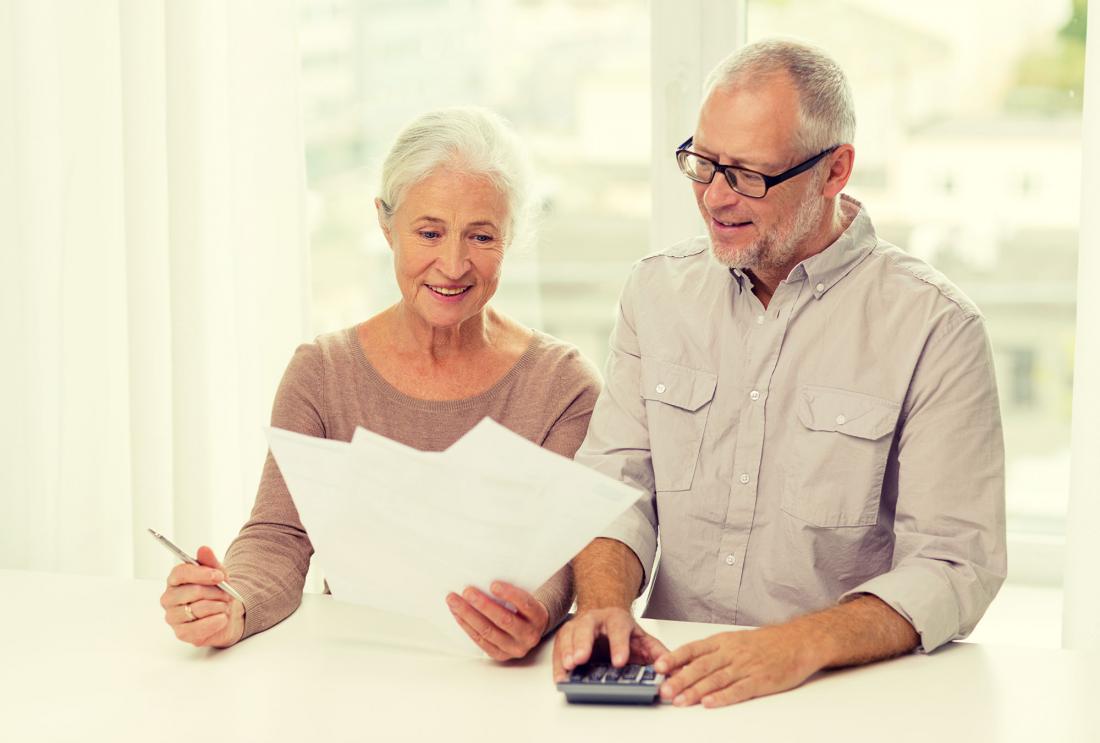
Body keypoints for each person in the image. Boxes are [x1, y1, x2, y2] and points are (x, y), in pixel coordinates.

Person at [553, 38, 1006, 707]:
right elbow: (616, 483)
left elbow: (955, 562)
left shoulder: (936, 328)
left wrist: (797, 644)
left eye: (749, 174)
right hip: (677, 688)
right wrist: (603, 603)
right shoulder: (655, 293)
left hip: (843, 696)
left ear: (835, 170)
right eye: (702, 164)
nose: (714, 198)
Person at [159, 107, 601, 660]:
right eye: (429, 232)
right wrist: (233, 603)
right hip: (356, 666)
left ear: (511, 237)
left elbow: (565, 558)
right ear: (385, 225)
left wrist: (531, 615)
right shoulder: (321, 372)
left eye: (482, 236)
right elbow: (279, 536)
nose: (454, 263)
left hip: (502, 684)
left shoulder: (564, 386)